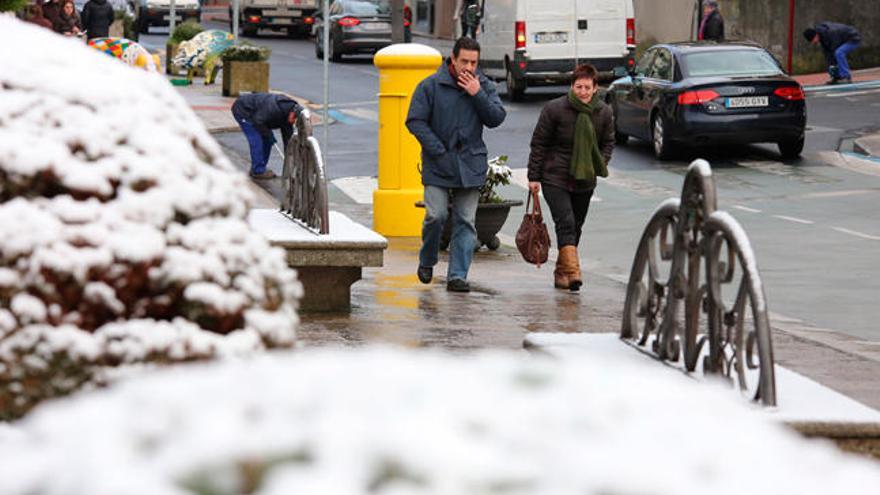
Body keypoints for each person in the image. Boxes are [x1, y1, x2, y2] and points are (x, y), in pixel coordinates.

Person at [406, 37, 506, 293]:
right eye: (465, 61)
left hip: (470, 164)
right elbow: (415, 120)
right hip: (439, 164)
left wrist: (478, 95)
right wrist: (438, 150)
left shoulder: (483, 85)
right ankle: (427, 259)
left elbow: (496, 118)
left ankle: (457, 276)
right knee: (435, 215)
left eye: (474, 62)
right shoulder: (430, 86)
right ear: (453, 58)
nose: (469, 67)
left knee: (465, 221)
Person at [526, 64, 614, 292]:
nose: (582, 92)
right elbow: (539, 144)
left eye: (587, 87)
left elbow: (608, 142)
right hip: (555, 176)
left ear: (596, 88)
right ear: (571, 86)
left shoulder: (604, 112)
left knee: (576, 226)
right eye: (578, 87)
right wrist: (534, 176)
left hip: (585, 179)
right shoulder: (554, 109)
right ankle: (574, 272)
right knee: (565, 222)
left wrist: (599, 164)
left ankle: (561, 272)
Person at [231, 93, 303, 180]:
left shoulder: (287, 117)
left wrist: (289, 158)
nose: (294, 121)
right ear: (291, 113)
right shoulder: (274, 109)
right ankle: (258, 171)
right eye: (294, 118)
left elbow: (288, 140)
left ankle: (258, 167)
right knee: (257, 140)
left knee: (267, 141)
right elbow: (258, 121)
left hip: (258, 116)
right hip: (244, 111)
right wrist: (269, 135)